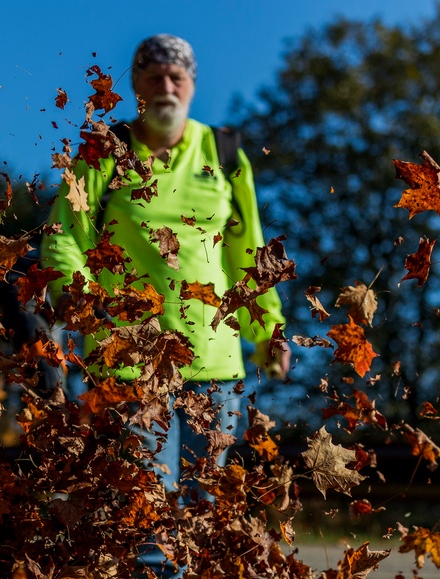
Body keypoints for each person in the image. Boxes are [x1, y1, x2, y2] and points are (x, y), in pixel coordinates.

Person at [40, 34, 290, 499]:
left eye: (177, 77)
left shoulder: (224, 152)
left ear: (192, 85)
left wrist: (269, 330)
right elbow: (63, 236)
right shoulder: (104, 150)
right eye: (153, 77)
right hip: (130, 365)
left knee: (202, 512)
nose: (166, 87)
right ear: (135, 85)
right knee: (146, 514)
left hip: (214, 366)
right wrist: (85, 305)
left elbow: (250, 255)